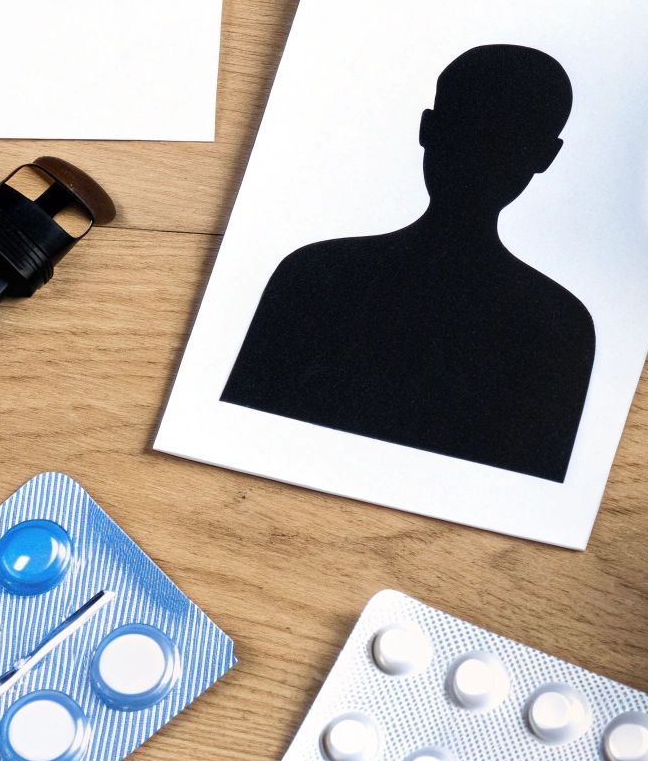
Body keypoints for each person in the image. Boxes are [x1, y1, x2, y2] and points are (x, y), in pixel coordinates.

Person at [222, 44, 596, 481]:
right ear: (545, 157)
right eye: (468, 131)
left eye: (502, 140)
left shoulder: (316, 273)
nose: (476, 157)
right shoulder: (557, 324)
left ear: (428, 128)